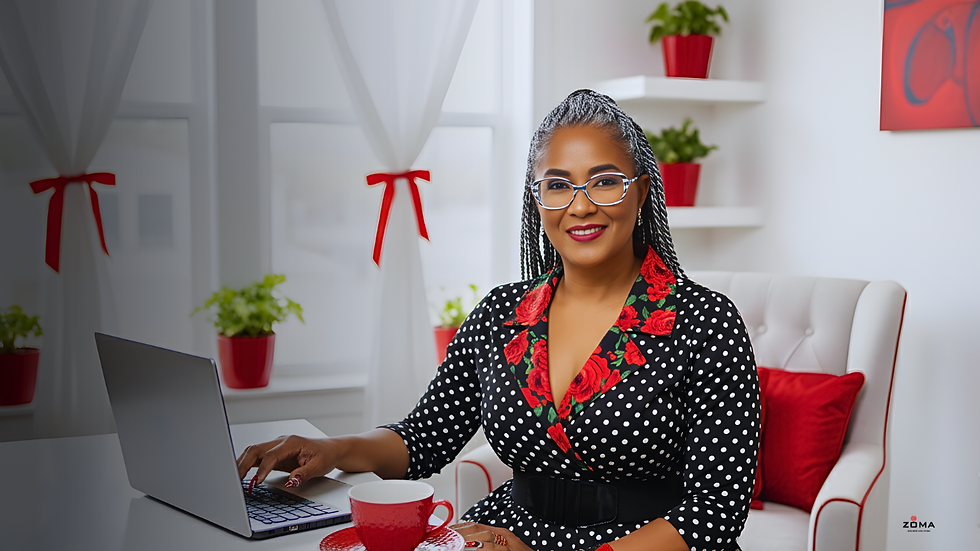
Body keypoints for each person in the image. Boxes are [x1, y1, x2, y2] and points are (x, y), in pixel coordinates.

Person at [236, 89, 760, 551]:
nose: (579, 206)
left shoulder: (705, 321)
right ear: (538, 201)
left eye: (604, 182)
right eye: (557, 185)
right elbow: (424, 437)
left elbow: (714, 514)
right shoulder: (501, 314)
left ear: (641, 193)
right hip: (508, 531)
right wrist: (331, 449)